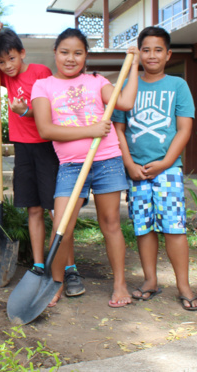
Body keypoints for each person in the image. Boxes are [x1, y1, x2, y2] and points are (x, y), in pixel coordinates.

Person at [0, 21, 86, 296]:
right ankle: (38, 265)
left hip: (47, 146)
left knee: (58, 212)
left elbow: (49, 108)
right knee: (33, 209)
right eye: (1, 61)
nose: (8, 65)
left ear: (22, 53)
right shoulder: (3, 76)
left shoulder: (40, 72)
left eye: (11, 58)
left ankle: (69, 269)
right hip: (22, 148)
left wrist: (26, 111)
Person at [31, 28, 140, 308]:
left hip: (107, 160)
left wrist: (134, 64)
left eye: (78, 53)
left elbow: (125, 102)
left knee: (111, 224)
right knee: (61, 226)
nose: (71, 58)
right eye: (65, 52)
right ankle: (55, 285)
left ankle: (120, 284)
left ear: (85, 56)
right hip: (71, 166)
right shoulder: (43, 86)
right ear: (55, 53)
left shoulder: (96, 80)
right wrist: (90, 129)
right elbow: (45, 129)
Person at [112, 26, 197, 311]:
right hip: (137, 171)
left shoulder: (177, 86)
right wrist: (129, 164)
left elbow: (184, 129)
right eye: (145, 49)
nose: (151, 55)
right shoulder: (127, 85)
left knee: (174, 228)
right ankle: (150, 281)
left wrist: (165, 162)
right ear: (138, 53)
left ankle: (184, 286)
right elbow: (119, 129)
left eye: (158, 49)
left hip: (168, 169)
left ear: (168, 54)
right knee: (143, 227)